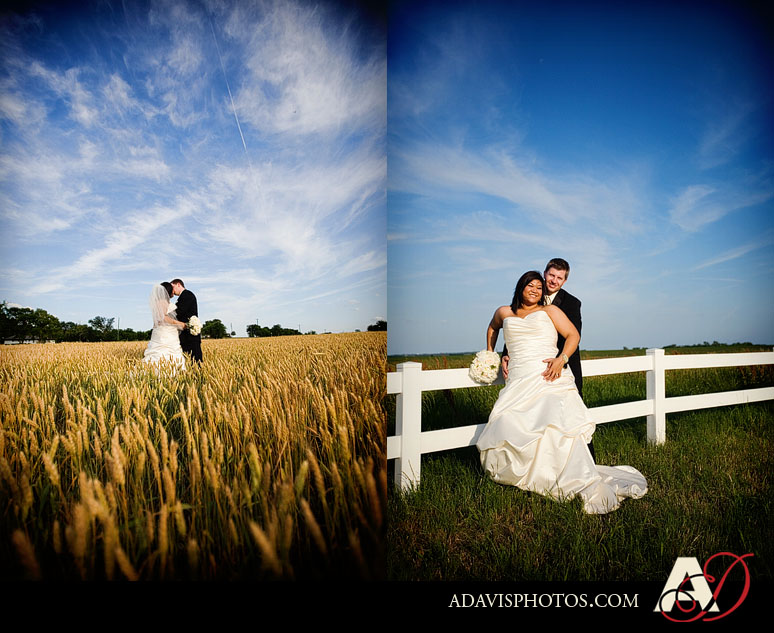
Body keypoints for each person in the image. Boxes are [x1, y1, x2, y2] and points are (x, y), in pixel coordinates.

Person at [476, 271, 646, 514]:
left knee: (553, 422)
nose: (535, 290)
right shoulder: (504, 312)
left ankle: (557, 476)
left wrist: (561, 359)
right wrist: (492, 353)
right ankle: (522, 474)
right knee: (508, 420)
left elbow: (573, 335)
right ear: (520, 287)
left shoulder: (550, 312)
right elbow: (493, 328)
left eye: (538, 286)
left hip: (548, 375)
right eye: (530, 285)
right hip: (518, 377)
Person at [502, 258, 595, 460]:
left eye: (559, 278)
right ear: (545, 274)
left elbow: (573, 335)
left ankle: (586, 462)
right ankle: (536, 461)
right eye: (551, 275)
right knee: (530, 417)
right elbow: (515, 328)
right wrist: (505, 354)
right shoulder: (530, 294)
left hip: (562, 365)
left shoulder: (571, 303)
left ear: (564, 281)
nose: (554, 280)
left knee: (570, 415)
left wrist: (560, 360)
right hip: (528, 369)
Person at [143, 282, 187, 370]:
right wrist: (180, 324)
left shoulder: (158, 302)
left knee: (162, 353)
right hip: (166, 333)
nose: (173, 293)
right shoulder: (163, 302)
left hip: (161, 331)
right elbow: (163, 318)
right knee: (166, 353)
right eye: (172, 291)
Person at [170, 278, 202, 364]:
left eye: (172, 287)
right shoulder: (183, 296)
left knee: (195, 360)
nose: (172, 290)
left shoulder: (187, 295)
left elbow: (179, 312)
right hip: (185, 335)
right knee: (188, 360)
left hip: (190, 335)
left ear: (178, 284)